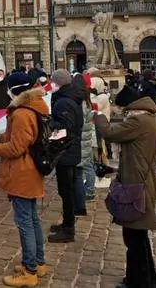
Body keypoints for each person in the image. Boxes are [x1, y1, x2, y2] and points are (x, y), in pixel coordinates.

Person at [0, 72, 49, 287]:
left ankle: (29, 271)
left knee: (24, 221)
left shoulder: (21, 114)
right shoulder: (35, 106)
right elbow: (19, 138)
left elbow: (16, 147)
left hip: (22, 171)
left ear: (15, 89)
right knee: (32, 218)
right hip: (30, 169)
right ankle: (38, 262)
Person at [95, 85, 156, 288]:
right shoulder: (147, 119)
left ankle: (140, 282)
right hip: (140, 180)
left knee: (135, 238)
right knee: (136, 237)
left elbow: (110, 133)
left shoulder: (139, 121)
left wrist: (98, 114)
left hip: (137, 184)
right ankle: (142, 279)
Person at [48, 69, 83, 243]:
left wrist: (49, 123)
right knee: (66, 189)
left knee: (66, 190)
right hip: (70, 148)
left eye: (53, 81)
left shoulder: (64, 101)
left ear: (58, 83)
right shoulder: (70, 96)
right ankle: (67, 222)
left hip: (66, 150)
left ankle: (69, 228)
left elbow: (66, 127)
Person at [73, 73, 96, 215]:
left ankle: (88, 191)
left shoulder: (81, 102)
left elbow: (79, 123)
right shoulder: (87, 100)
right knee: (88, 166)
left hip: (82, 141)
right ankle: (89, 190)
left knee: (83, 170)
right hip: (87, 139)